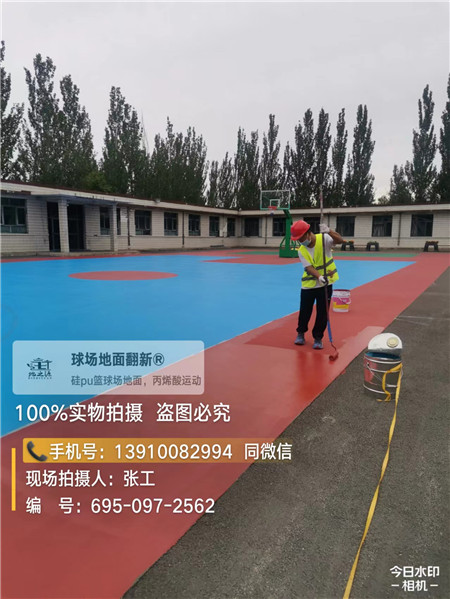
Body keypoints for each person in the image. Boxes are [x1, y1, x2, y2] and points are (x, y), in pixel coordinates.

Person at [290, 220, 345, 349]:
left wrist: (329, 231)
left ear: (308, 233)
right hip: (309, 284)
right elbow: (308, 267)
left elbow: (340, 240)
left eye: (301, 238)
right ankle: (301, 333)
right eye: (298, 240)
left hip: (326, 284)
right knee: (305, 311)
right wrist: (319, 276)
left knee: (322, 313)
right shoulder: (301, 250)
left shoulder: (324, 238)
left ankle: (318, 338)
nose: (301, 241)